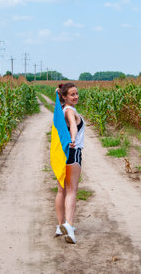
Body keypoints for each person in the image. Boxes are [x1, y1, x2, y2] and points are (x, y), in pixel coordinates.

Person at [54, 83, 85, 244]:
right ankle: (69, 226)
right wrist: (73, 138)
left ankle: (60, 226)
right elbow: (73, 125)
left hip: (62, 153)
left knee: (61, 190)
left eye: (77, 93)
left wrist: (58, 94)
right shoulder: (70, 111)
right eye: (72, 94)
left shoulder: (61, 110)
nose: (76, 96)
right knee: (72, 190)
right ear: (65, 97)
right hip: (73, 152)